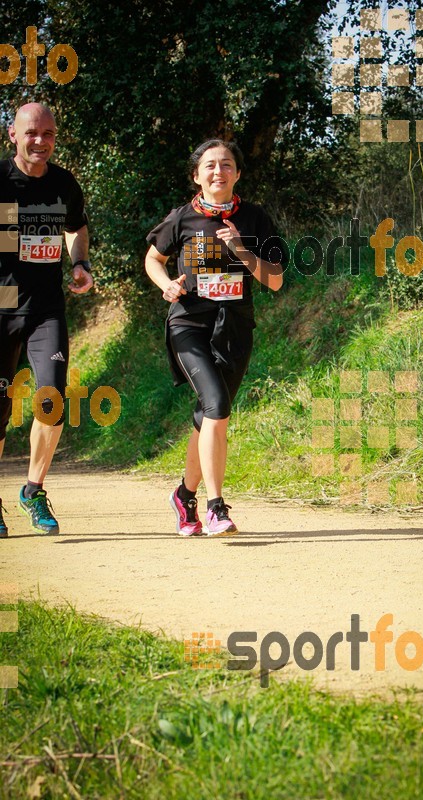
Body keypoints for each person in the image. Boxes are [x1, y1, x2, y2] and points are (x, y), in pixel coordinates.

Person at [145, 139, 284, 536]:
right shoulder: (182, 218)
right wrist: (165, 285)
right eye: (209, 165)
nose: (218, 171)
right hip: (188, 325)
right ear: (197, 175)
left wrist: (241, 249)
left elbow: (275, 280)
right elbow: (154, 258)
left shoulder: (255, 219)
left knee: (207, 415)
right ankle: (215, 507)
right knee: (217, 407)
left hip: (235, 328)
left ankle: (184, 495)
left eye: (226, 165)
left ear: (237, 173)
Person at [0, 103, 93, 537]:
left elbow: (76, 227)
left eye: (49, 134)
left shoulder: (63, 183)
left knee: (51, 398)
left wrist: (80, 263)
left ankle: (33, 491)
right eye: (32, 133)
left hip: (44, 307)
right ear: (12, 136)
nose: (41, 141)